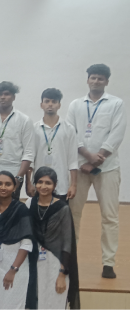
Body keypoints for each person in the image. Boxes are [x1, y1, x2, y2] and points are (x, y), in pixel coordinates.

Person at [66, 64, 126, 279]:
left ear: (107, 81)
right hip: (79, 167)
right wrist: (87, 156)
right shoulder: (75, 105)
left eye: (100, 78)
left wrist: (96, 160)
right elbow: (71, 133)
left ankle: (108, 263)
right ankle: (70, 261)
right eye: (93, 78)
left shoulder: (116, 104)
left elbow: (117, 134)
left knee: (110, 216)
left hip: (107, 168)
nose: (96, 81)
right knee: (73, 214)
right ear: (87, 80)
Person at [26, 167, 80, 309]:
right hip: (33, 261)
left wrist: (62, 274)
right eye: (40, 182)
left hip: (55, 263)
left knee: (54, 302)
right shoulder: (29, 204)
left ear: (55, 185)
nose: (43, 186)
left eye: (48, 183)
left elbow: (67, 243)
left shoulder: (62, 208)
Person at [0, 171, 34, 310]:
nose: (3, 187)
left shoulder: (21, 209)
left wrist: (13, 269)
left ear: (14, 187)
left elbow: (26, 243)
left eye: (8, 184)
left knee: (12, 305)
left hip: (15, 268)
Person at [27, 88, 78, 202]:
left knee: (60, 212)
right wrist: (28, 183)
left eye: (54, 102)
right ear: (41, 105)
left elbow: (73, 160)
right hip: (39, 184)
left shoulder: (69, 129)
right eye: (47, 101)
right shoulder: (33, 129)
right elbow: (30, 159)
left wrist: (73, 185)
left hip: (61, 184)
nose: (50, 104)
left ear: (59, 105)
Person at [0, 82, 35, 200]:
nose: (2, 97)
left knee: (11, 208)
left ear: (14, 97)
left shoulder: (24, 120)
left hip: (14, 174)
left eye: (6, 94)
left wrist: (19, 177)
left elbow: (29, 152)